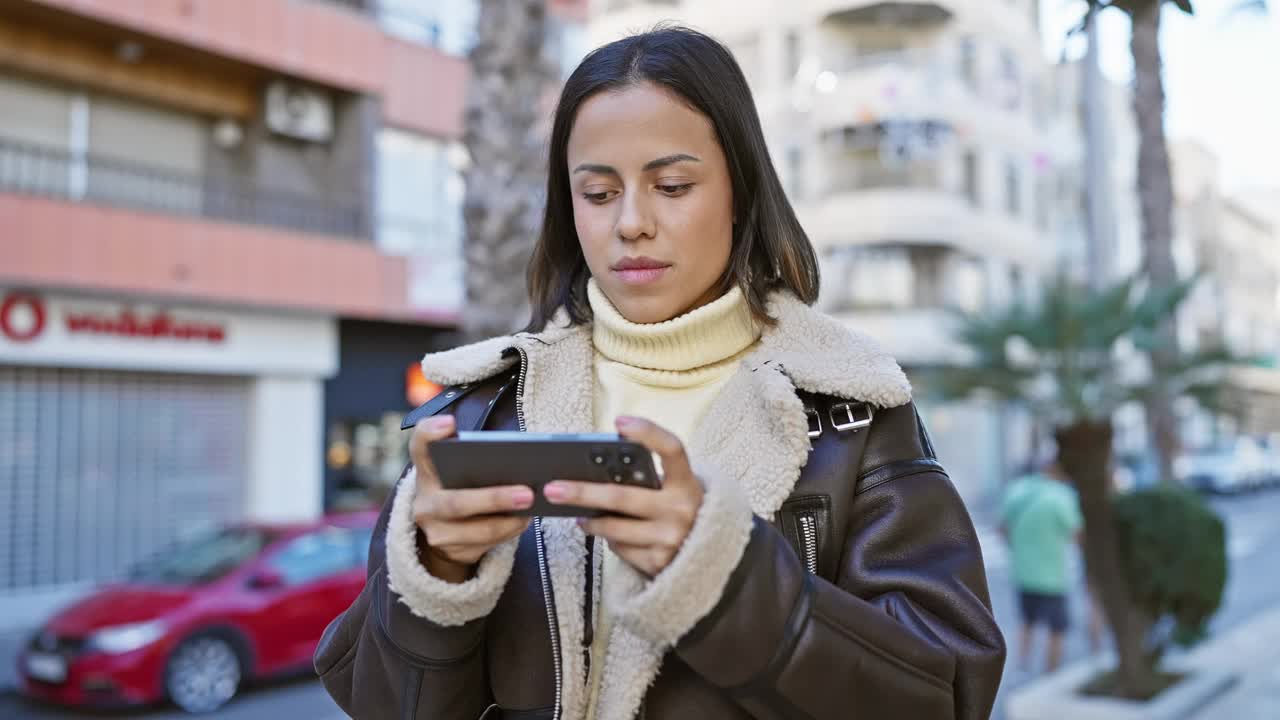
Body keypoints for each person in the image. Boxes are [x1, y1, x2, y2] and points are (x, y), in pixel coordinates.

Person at [315, 26, 1005, 720]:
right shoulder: (482, 410)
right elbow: (384, 706)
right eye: (598, 192)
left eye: (672, 185)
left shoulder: (851, 409)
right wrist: (436, 573)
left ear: (740, 190)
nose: (632, 223)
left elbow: (945, 697)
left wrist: (726, 581)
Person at [1000, 460, 1083, 674]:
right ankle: (1050, 673)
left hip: (1022, 572)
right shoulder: (1062, 496)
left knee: (1026, 622)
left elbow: (1002, 529)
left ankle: (1022, 668)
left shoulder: (1017, 490)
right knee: (1057, 629)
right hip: (1052, 576)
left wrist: (1019, 549)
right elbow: (1076, 534)